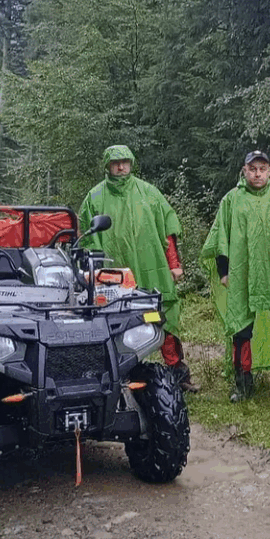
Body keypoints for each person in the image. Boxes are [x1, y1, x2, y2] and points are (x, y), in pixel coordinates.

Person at [79, 145, 198, 393]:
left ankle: (178, 372)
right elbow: (86, 237)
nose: (121, 167)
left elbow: (168, 227)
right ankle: (112, 374)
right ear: (107, 165)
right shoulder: (95, 197)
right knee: (111, 320)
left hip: (151, 266)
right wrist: (91, 270)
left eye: (125, 162)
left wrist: (174, 263)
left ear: (131, 163)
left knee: (164, 314)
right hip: (114, 272)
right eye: (115, 163)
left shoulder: (149, 193)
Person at [201, 150, 270, 403]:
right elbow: (221, 237)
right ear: (244, 171)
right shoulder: (232, 200)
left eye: (262, 168)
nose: (257, 173)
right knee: (241, 328)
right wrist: (224, 271)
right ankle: (243, 384)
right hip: (242, 272)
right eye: (252, 169)